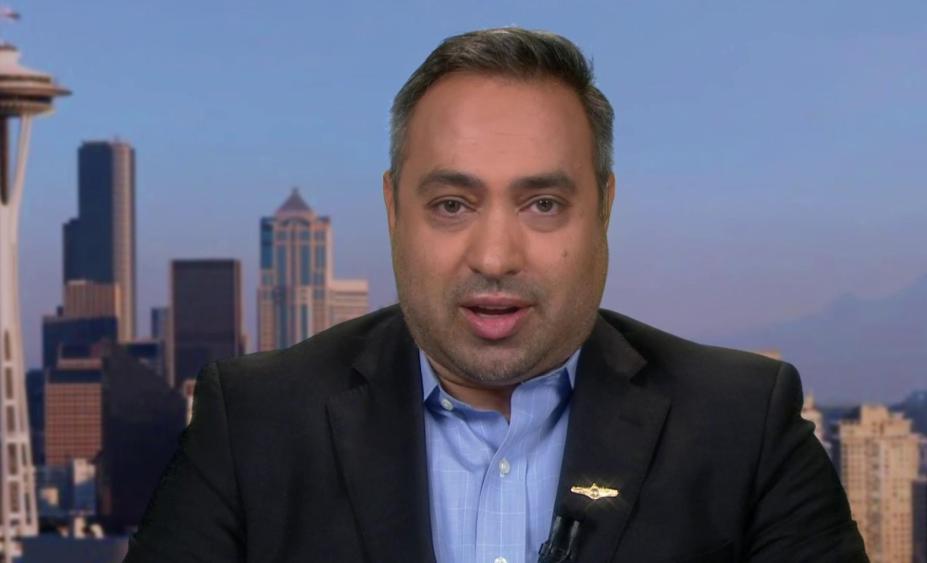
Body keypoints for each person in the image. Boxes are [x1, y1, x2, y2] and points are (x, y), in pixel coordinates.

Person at [124, 27, 868, 563]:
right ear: (393, 211)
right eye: (452, 204)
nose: (494, 256)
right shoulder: (253, 421)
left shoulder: (744, 424)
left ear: (604, 209)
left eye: (542, 204)